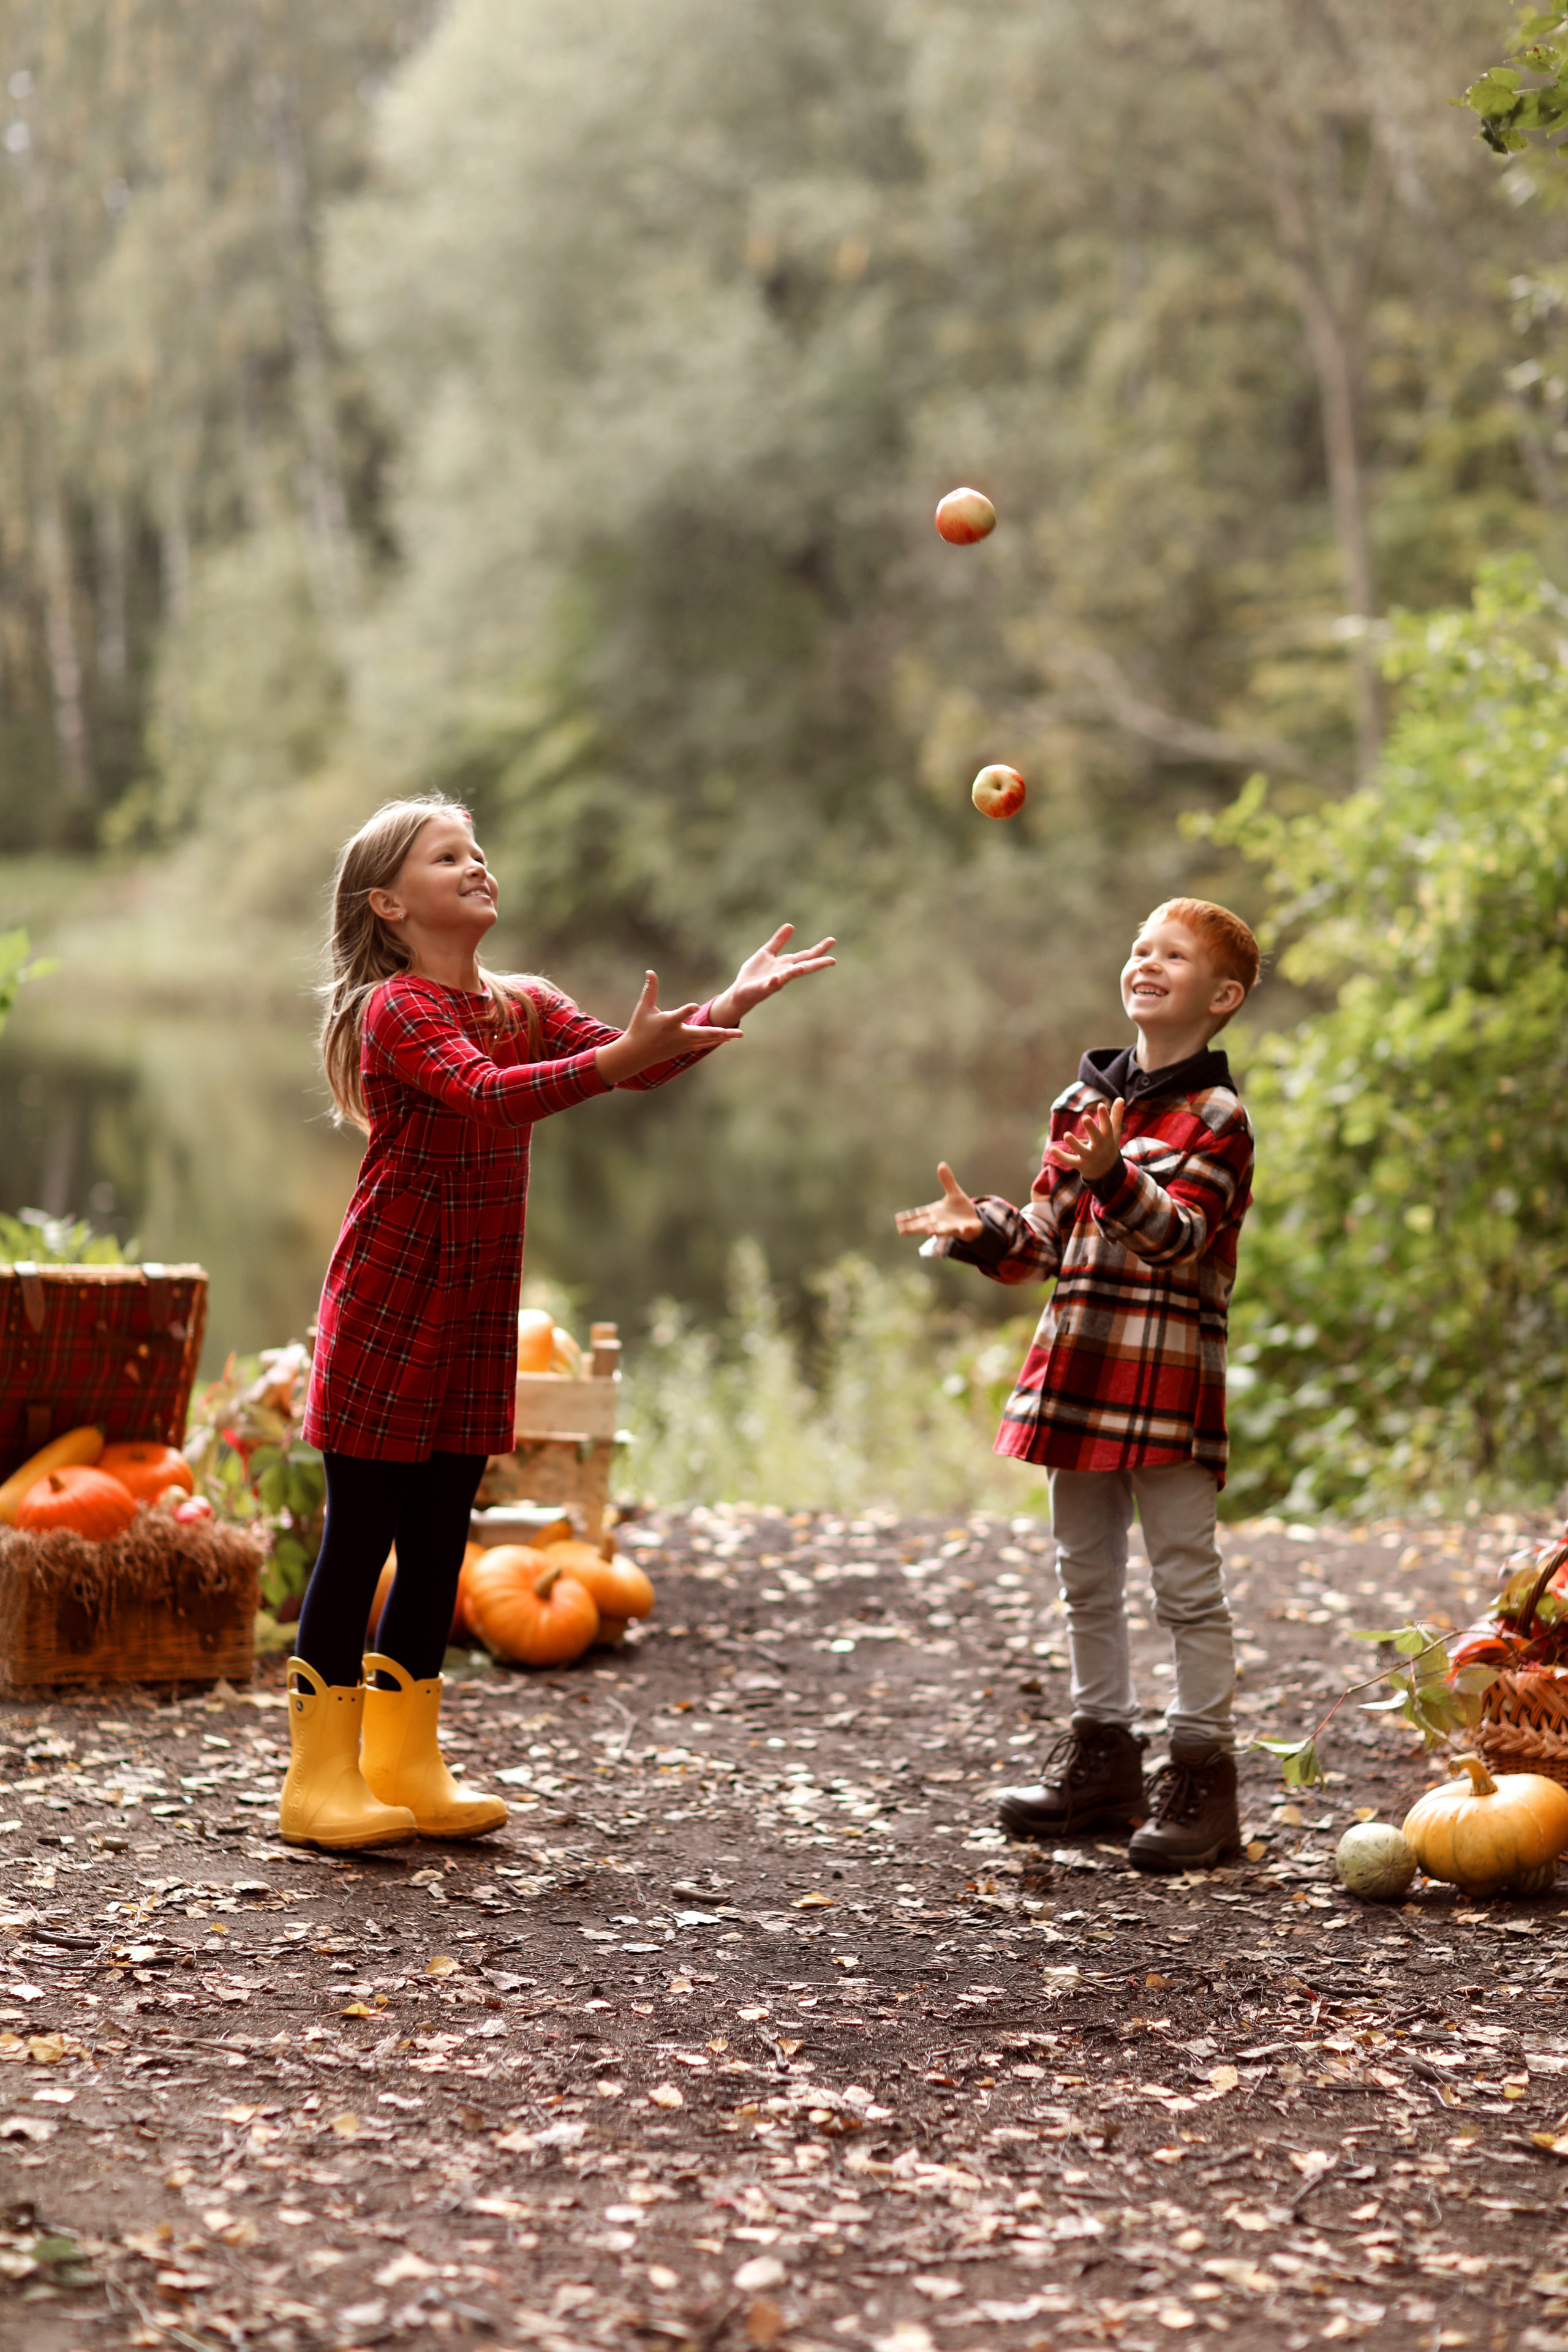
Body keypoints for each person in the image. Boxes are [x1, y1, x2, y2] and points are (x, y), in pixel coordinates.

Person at [281, 792, 835, 1852]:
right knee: (361, 1542)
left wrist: (734, 1003)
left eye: (478, 850)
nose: (476, 865)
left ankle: (405, 1764)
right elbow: (492, 1098)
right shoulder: (396, 1012)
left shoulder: (524, 998)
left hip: (476, 1307)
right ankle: (318, 1784)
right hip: (391, 1304)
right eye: (448, 857)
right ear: (390, 904)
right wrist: (622, 1058)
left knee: (443, 1539)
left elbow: (648, 1057)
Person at [895, 899, 1258, 1872]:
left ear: (1220, 996)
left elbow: (1179, 1239)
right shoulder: (1079, 1101)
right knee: (1082, 1577)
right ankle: (1103, 1759)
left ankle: (1202, 1777)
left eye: (1172, 955)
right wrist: (984, 1230)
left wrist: (1112, 1175)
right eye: (1139, 947)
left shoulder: (1219, 1118)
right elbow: (1047, 1247)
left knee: (1185, 1579)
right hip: (1082, 1369)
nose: (1146, 963)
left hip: (1165, 1379)